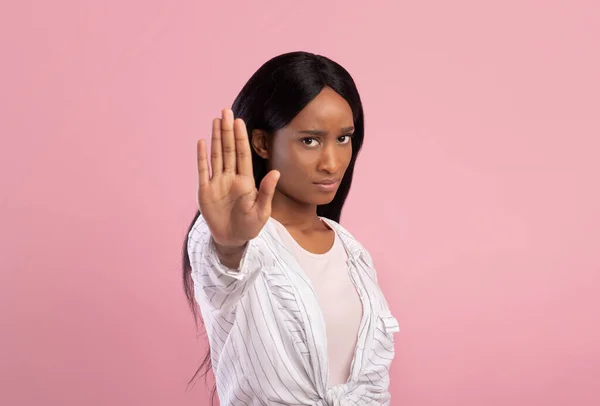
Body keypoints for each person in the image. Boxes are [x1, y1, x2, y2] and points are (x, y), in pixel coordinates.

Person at [182, 51, 399, 405]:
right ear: (262, 142)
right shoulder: (235, 241)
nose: (331, 163)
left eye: (343, 138)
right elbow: (219, 277)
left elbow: (372, 384)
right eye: (310, 140)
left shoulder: (352, 251)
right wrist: (229, 243)